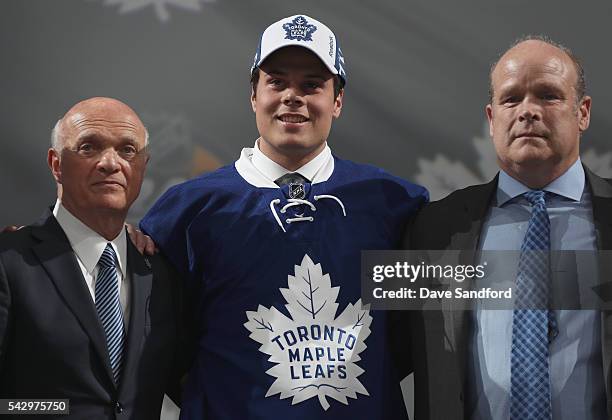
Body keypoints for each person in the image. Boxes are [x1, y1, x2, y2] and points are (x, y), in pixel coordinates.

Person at [139, 14, 428, 419]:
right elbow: (156, 342)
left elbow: (422, 335)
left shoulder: (394, 202)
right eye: (277, 81)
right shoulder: (188, 209)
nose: (293, 95)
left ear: (337, 101)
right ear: (254, 95)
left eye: (312, 84)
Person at [405, 37, 612, 419]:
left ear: (583, 112)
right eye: (511, 99)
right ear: (491, 117)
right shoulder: (434, 228)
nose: (528, 111)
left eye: (548, 95)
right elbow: (383, 353)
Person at [0, 97, 185, 419]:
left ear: (143, 166)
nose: (110, 163)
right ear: (56, 164)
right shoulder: (9, 262)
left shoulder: (160, 272)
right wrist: (58, 411)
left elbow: (192, 383)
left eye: (128, 150)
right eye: (89, 148)